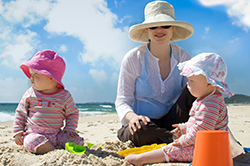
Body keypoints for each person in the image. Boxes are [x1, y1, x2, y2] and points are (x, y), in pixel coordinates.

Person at [125, 52, 233, 165]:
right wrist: (184, 127)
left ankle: (141, 159)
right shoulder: (207, 99)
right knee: (173, 146)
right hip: (209, 145)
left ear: (209, 83)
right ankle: (143, 157)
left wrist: (183, 141)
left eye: (192, 81)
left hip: (209, 149)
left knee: (172, 149)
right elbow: (196, 123)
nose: (188, 84)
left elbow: (202, 130)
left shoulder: (210, 103)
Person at [115, 0, 196, 147]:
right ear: (147, 30)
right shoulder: (134, 58)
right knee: (141, 130)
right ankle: (178, 140)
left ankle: (224, 140)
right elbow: (122, 101)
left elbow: (196, 95)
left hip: (174, 121)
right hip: (144, 125)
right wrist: (133, 117)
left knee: (197, 87)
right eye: (153, 26)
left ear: (172, 29)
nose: (159, 30)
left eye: (165, 25)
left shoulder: (184, 58)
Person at [13, 50, 84, 154]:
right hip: (34, 133)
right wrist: (18, 132)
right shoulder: (30, 93)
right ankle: (53, 152)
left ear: (51, 77)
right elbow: (20, 112)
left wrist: (70, 128)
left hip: (57, 134)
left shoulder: (64, 95)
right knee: (31, 141)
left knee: (77, 141)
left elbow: (72, 113)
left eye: (35, 74)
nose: (31, 78)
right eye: (30, 74)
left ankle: (52, 148)